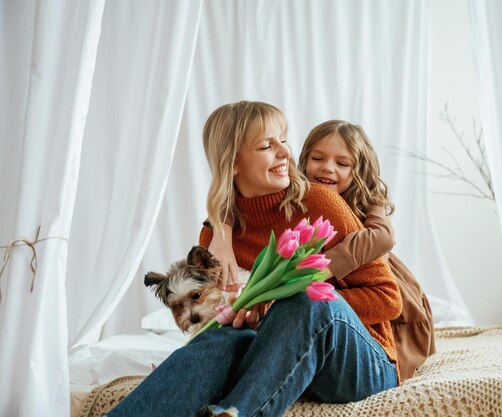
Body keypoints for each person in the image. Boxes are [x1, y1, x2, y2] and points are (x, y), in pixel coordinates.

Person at [107, 101, 402, 417]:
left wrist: (282, 301)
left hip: (359, 365)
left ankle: (240, 412)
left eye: (284, 141)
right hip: (280, 362)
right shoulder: (217, 238)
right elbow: (226, 316)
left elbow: (388, 299)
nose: (286, 153)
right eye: (266, 146)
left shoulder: (320, 203)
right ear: (233, 163)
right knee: (218, 341)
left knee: (307, 299)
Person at [298, 120, 436, 381]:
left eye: (342, 163)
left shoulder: (369, 198)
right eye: (318, 158)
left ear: (358, 170)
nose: (327, 168)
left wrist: (326, 264)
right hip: (330, 288)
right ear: (305, 160)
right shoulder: (302, 197)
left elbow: (382, 237)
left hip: (378, 281)